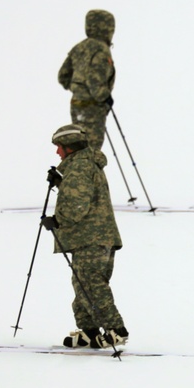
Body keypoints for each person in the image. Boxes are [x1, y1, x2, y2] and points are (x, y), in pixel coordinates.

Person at [40, 124, 129, 349]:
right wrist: (61, 182)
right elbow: (84, 194)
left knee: (90, 284)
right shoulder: (84, 165)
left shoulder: (78, 167)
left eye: (59, 147)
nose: (57, 152)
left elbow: (76, 204)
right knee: (83, 284)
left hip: (90, 237)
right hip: (99, 236)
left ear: (70, 147)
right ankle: (90, 332)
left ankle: (115, 330)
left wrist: (57, 220)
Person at [58, 10, 116, 150]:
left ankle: (77, 170)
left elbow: (63, 76)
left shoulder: (79, 48)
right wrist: (105, 97)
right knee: (91, 149)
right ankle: (88, 171)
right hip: (93, 108)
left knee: (78, 144)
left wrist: (78, 88)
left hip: (77, 105)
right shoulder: (101, 50)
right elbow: (95, 81)